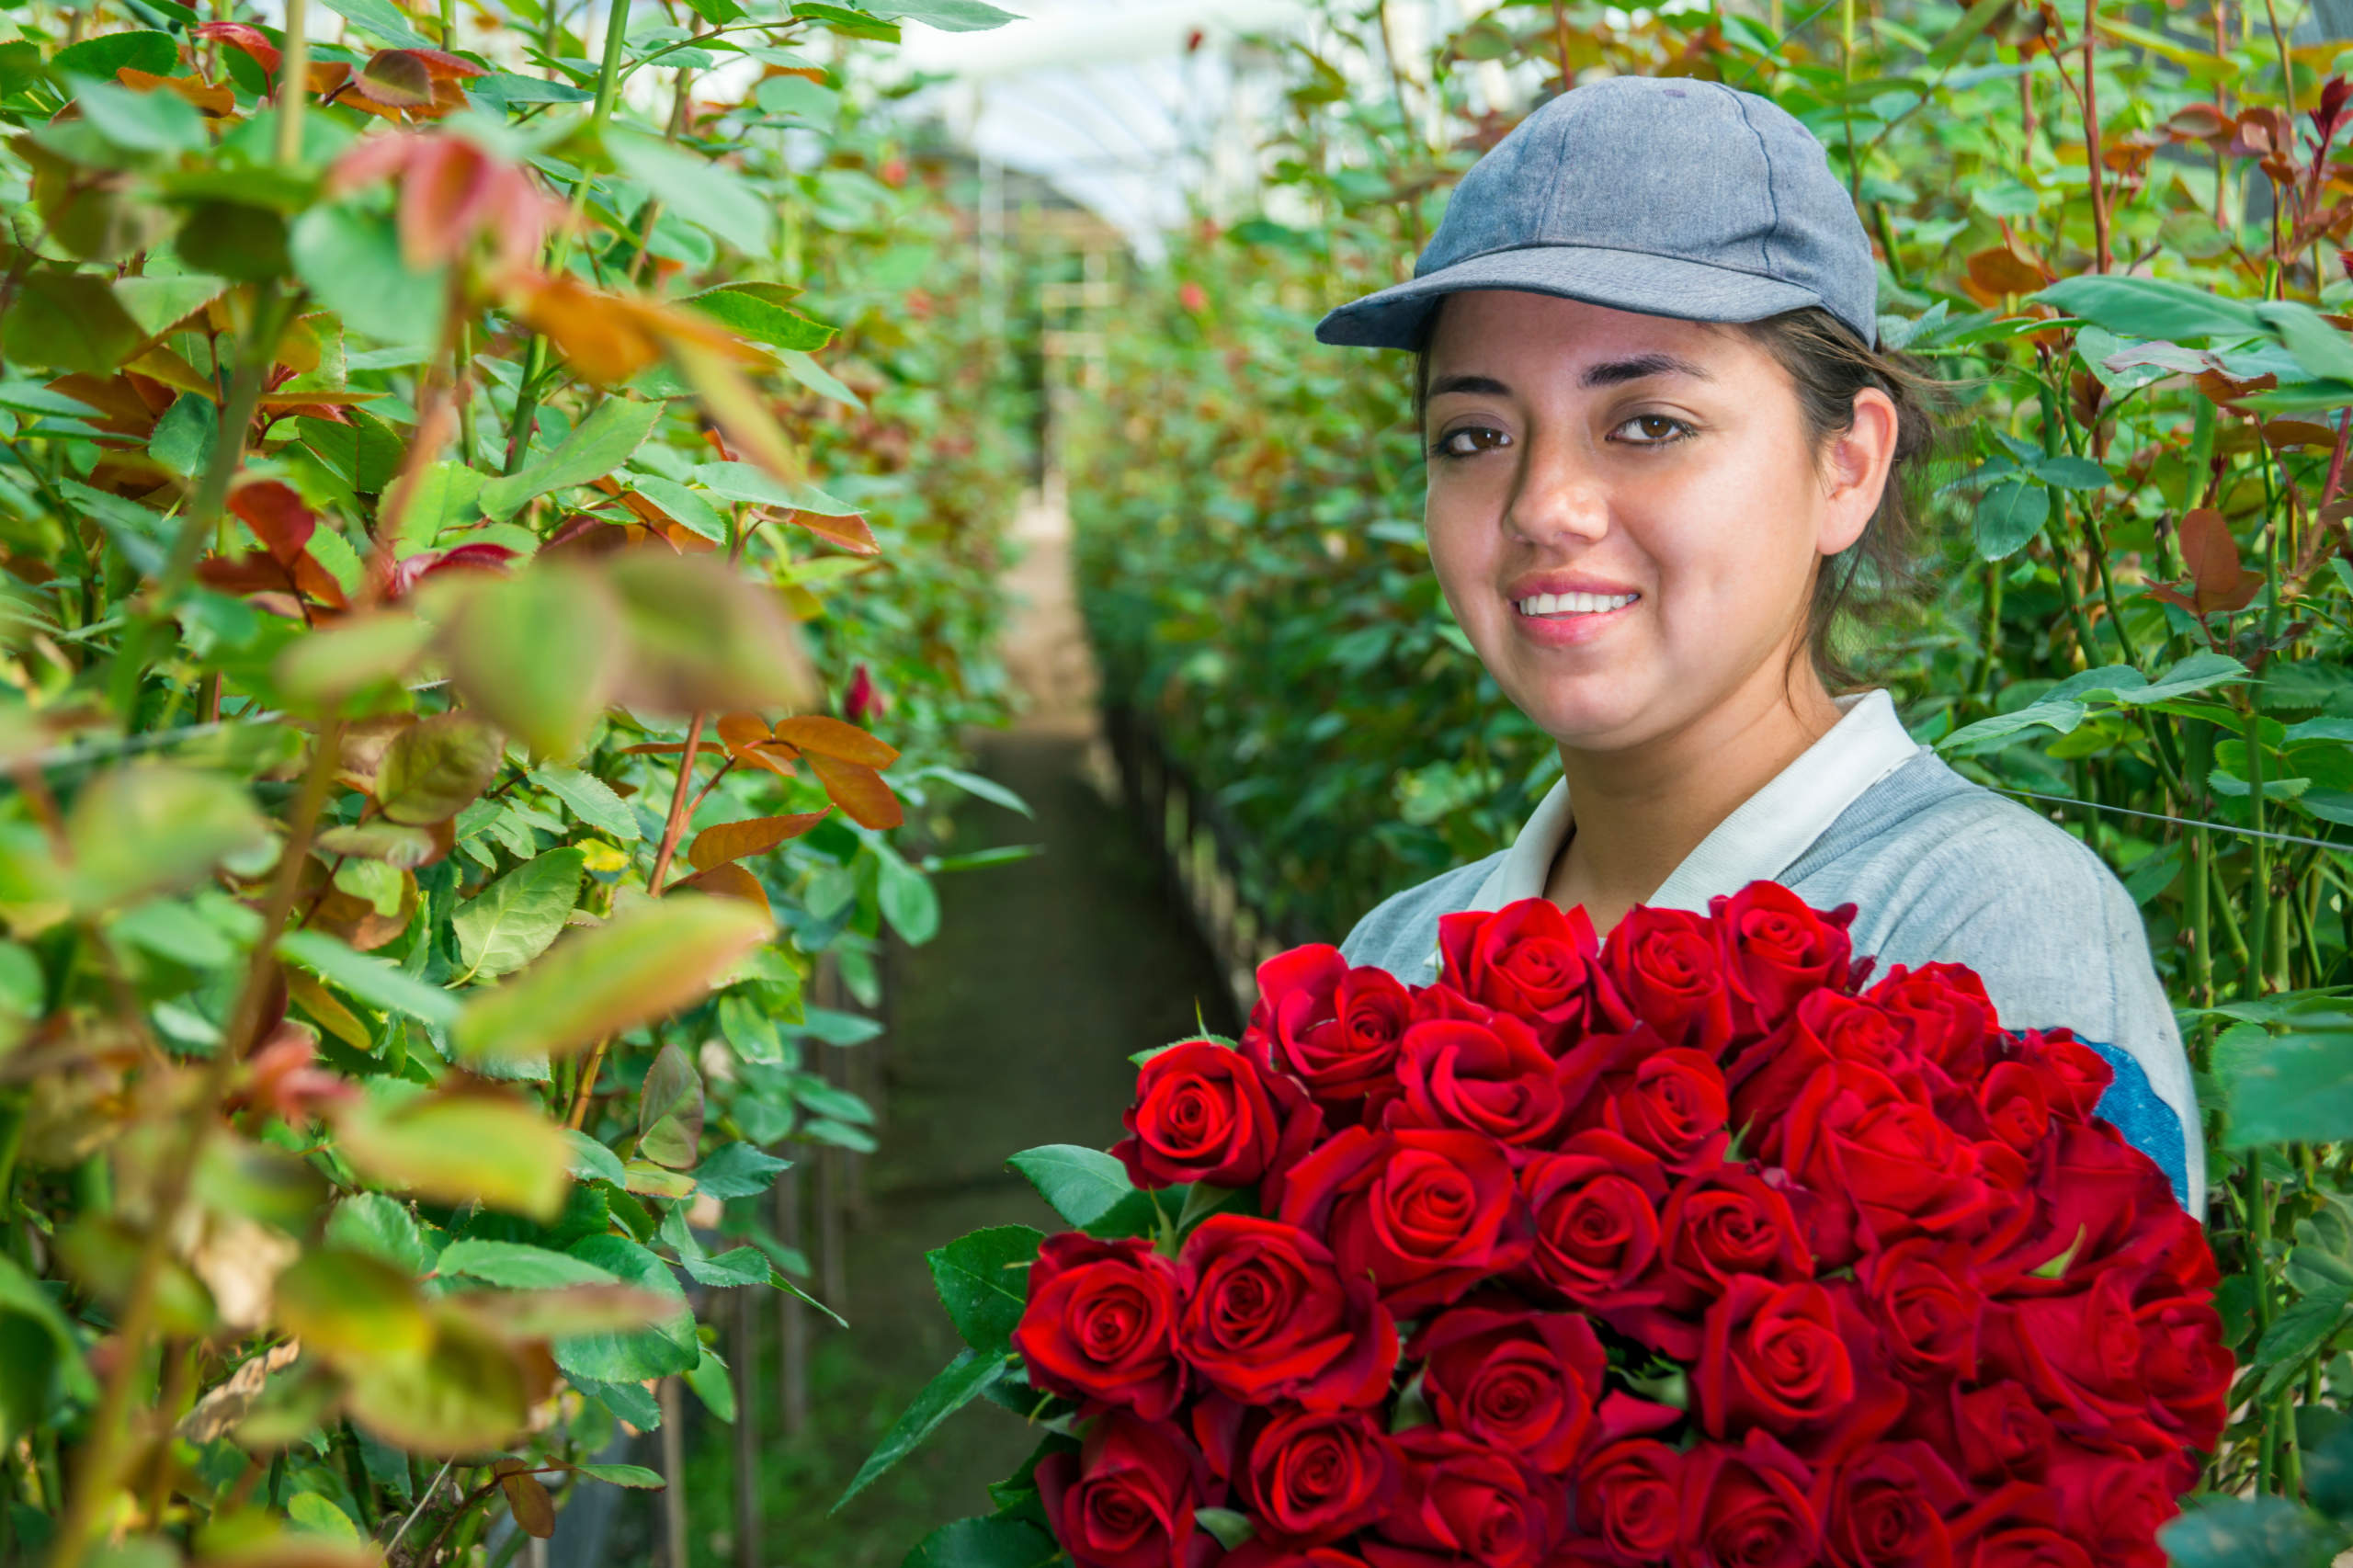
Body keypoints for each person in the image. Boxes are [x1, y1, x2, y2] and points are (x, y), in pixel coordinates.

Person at [1313, 74, 2201, 1216]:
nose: (1543, 504)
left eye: (1649, 424)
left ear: (1847, 466)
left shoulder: (1981, 934)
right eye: (1472, 435)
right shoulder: (1392, 966)